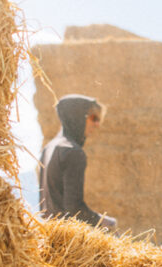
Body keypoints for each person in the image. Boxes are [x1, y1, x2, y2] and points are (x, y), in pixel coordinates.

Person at [39, 95, 116, 230]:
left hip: (48, 235)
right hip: (67, 241)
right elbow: (74, 209)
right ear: (78, 116)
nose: (97, 124)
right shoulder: (72, 152)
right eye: (93, 118)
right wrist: (105, 222)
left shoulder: (49, 148)